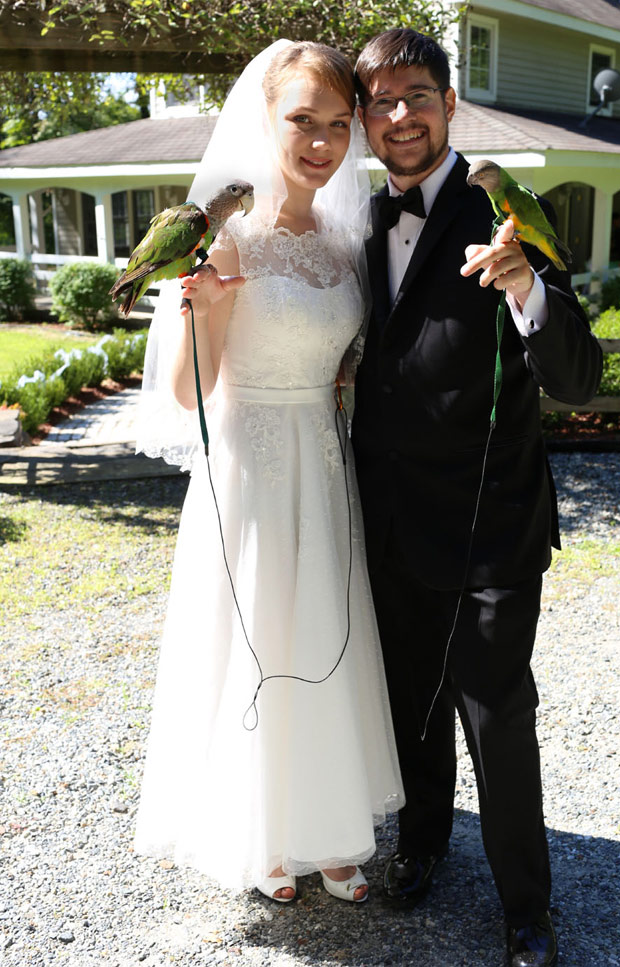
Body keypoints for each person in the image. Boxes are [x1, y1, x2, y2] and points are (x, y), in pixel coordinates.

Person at [351, 28, 603, 966]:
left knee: (498, 719)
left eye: (417, 95)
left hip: (492, 527)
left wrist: (527, 286)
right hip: (387, 527)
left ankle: (526, 906)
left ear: (450, 104)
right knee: (411, 704)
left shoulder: (502, 212)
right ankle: (421, 844)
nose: (400, 116)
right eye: (380, 101)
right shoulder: (356, 218)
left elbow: (579, 375)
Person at [133, 39, 404, 906]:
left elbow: (346, 350)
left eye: (336, 125)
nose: (322, 142)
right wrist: (206, 312)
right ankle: (265, 831)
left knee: (322, 632)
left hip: (324, 468)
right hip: (250, 465)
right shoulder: (230, 239)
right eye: (302, 121)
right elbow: (188, 390)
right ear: (265, 120)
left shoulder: (344, 240)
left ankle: (328, 824)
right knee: (260, 639)